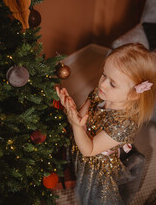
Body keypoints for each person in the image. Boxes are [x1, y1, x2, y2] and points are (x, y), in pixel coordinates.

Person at [56, 43, 156, 205]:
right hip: (83, 143)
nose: (102, 84)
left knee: (92, 197)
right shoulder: (99, 93)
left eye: (113, 83)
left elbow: (89, 150)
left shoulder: (124, 124)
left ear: (133, 95)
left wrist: (76, 125)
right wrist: (72, 110)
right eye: (104, 75)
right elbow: (82, 117)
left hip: (97, 166)